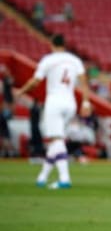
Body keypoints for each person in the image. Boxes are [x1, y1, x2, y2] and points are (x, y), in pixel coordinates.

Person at [14, 34, 92, 189]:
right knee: (56, 141)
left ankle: (65, 179)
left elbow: (35, 82)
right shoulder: (74, 60)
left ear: (51, 44)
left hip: (54, 102)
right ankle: (42, 177)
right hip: (70, 103)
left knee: (57, 140)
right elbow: (84, 83)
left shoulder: (48, 60)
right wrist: (86, 102)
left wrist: (21, 92)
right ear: (65, 44)